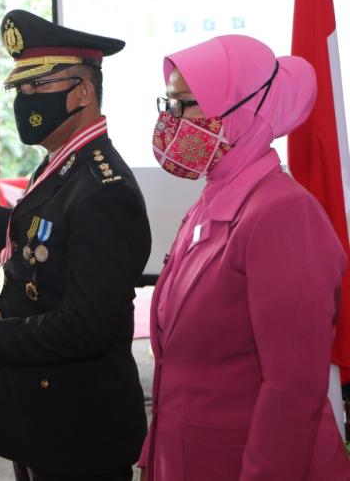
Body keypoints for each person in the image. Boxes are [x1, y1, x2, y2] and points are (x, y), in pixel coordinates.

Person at [0, 10, 151, 480]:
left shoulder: (104, 189)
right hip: (42, 410)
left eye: (40, 87)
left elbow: (84, 327)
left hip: (80, 424)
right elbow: (42, 234)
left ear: (84, 91)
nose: (25, 101)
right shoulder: (65, 165)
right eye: (21, 90)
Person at [138, 35, 350, 480]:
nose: (169, 121)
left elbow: (293, 390)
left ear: (241, 109)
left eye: (183, 105)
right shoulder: (212, 199)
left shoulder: (283, 214)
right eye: (168, 103)